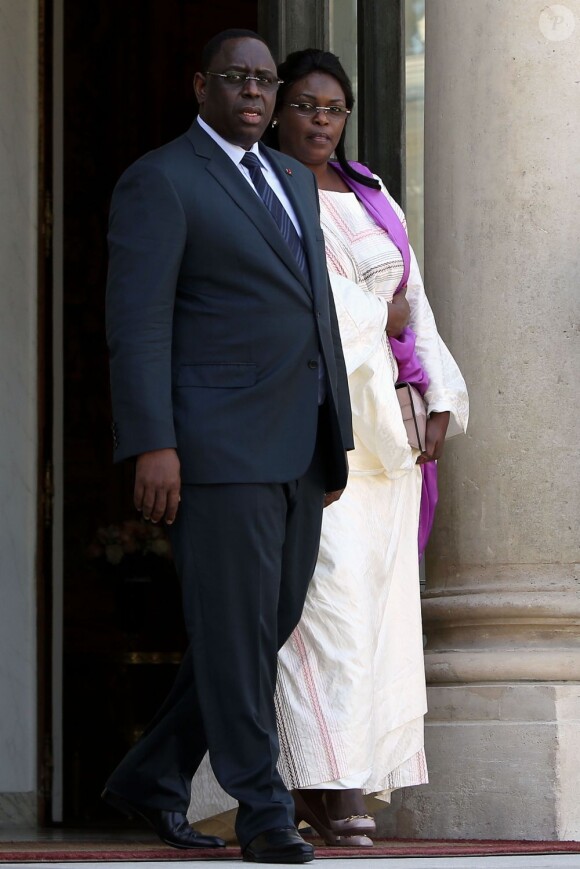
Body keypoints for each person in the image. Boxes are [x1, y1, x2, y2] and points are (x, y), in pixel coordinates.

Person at [102, 31, 353, 864]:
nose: (252, 91)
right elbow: (137, 326)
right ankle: (263, 807)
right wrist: (152, 444)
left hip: (299, 446)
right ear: (199, 84)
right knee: (236, 628)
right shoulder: (162, 179)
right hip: (212, 449)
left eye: (263, 79)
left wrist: (333, 435)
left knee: (258, 626)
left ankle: (151, 774)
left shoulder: (289, 176)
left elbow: (314, 307)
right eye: (236, 78)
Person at [267, 49, 469, 846]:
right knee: (327, 603)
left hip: (389, 429)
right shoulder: (268, 193)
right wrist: (371, 320)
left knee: (382, 611)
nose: (321, 119)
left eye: (335, 107)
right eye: (307, 105)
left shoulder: (375, 194)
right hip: (319, 424)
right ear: (279, 111)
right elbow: (292, 300)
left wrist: (438, 394)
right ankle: (320, 775)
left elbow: (411, 299)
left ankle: (356, 776)